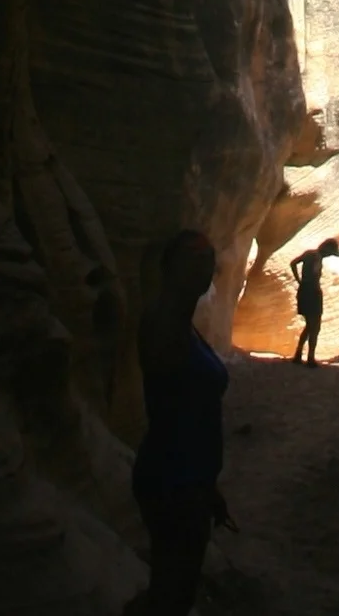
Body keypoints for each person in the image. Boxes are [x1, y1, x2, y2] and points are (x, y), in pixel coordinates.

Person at [125, 230, 234, 616]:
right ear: (169, 268)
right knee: (172, 594)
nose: (203, 268)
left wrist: (208, 485)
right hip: (173, 481)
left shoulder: (183, 325)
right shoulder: (162, 324)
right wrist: (195, 486)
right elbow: (174, 413)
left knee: (174, 589)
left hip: (186, 479)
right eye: (193, 259)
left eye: (207, 260)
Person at [286, 238, 339, 367]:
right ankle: (309, 358)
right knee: (314, 326)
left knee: (310, 325)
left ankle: (299, 354)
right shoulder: (316, 257)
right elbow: (298, 266)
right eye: (330, 253)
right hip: (312, 292)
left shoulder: (310, 254)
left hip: (305, 291)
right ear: (326, 249)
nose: (329, 256)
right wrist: (301, 281)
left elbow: (293, 263)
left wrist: (299, 281)